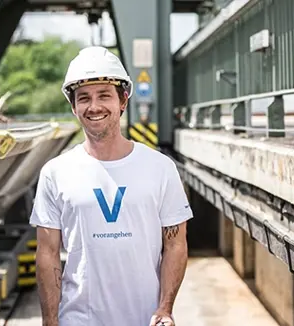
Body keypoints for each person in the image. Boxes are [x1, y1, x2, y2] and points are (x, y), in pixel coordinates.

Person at [30, 46, 193, 326]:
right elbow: (47, 252)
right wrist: (50, 321)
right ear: (73, 107)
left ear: (123, 101)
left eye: (104, 95)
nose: (94, 107)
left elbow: (175, 243)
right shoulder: (55, 173)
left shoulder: (160, 168)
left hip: (145, 320)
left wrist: (165, 308)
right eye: (84, 98)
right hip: (78, 320)